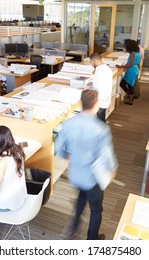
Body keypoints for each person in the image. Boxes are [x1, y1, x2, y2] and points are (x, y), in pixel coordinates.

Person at [55, 89, 118, 240]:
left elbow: (57, 147)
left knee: (81, 199)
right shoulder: (101, 129)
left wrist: (67, 155)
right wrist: (113, 169)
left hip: (76, 174)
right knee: (96, 210)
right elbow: (107, 155)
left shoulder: (69, 123)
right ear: (96, 104)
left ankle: (72, 230)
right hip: (93, 177)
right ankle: (91, 240)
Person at [89, 52, 113, 122]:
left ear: (95, 61)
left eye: (91, 62)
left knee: (99, 122)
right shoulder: (108, 69)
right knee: (102, 119)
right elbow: (104, 83)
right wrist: (93, 83)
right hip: (106, 98)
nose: (91, 64)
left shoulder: (98, 72)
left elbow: (97, 89)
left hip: (100, 101)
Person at [117, 39, 141, 105]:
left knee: (127, 85)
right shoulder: (138, 53)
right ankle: (130, 95)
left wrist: (120, 66)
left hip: (131, 70)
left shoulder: (132, 53)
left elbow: (130, 64)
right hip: (135, 69)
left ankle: (130, 99)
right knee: (128, 84)